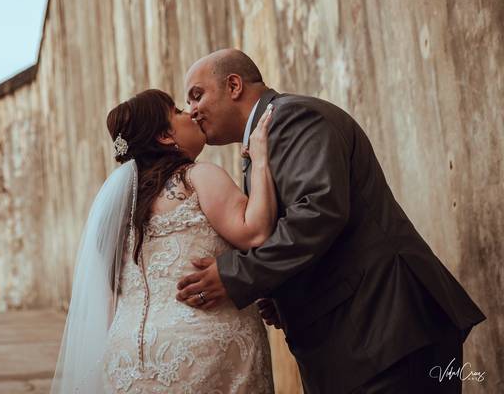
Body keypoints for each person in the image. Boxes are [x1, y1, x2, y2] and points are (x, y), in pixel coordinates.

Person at [176, 48, 487, 393]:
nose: (192, 111)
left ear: (233, 85)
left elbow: (318, 212)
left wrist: (237, 275)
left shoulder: (292, 118)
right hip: (360, 340)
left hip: (389, 330)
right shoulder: (266, 137)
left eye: (197, 95)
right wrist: (282, 293)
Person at [51, 88, 276, 393]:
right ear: (166, 136)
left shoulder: (121, 209)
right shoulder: (197, 177)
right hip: (202, 350)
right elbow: (255, 232)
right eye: (178, 111)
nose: (191, 113)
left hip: (125, 356)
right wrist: (261, 160)